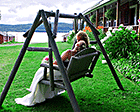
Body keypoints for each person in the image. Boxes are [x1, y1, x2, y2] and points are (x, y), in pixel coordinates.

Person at [15, 40, 87, 106]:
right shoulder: (80, 55)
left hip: (61, 74)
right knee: (43, 71)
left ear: (76, 45)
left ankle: (36, 94)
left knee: (41, 72)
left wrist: (47, 62)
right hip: (68, 74)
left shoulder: (69, 52)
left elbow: (56, 63)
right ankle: (44, 93)